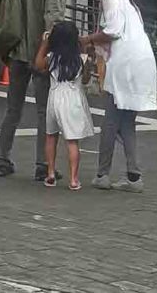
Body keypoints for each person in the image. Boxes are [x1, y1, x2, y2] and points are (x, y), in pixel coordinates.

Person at [0, 0, 73, 180]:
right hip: (41, 55)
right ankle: (42, 164)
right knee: (44, 112)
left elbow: (6, 16)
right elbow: (53, 23)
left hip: (17, 52)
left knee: (12, 110)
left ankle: (3, 159)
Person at [80, 0, 157, 193]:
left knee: (111, 122)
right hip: (141, 61)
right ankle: (133, 177)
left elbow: (112, 31)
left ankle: (102, 174)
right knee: (126, 123)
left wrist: (87, 39)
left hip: (124, 63)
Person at [33, 21, 94, 190]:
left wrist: (44, 44)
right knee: (72, 141)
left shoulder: (52, 58)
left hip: (54, 97)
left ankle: (51, 173)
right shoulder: (81, 59)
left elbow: (38, 65)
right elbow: (87, 79)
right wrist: (88, 56)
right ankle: (74, 179)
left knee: (51, 136)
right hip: (73, 99)